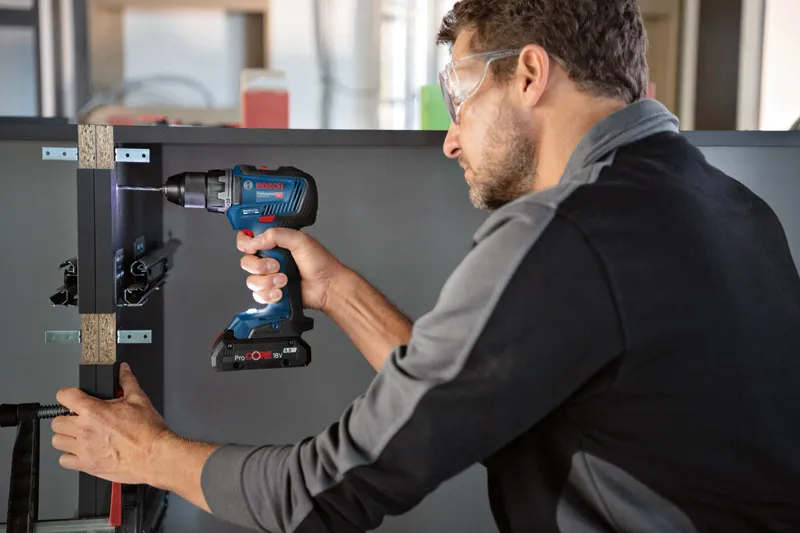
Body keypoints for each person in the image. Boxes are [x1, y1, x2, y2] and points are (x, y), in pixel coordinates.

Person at [51, 0, 800, 531]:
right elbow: (468, 402)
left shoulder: (558, 235)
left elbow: (327, 493)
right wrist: (337, 290)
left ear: (531, 74)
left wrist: (147, 453)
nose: (450, 137)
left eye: (460, 94)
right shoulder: (735, 211)